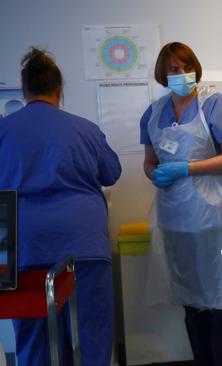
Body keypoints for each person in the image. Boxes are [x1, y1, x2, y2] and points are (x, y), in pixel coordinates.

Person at [0, 48, 121, 365]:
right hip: (84, 242)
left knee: (32, 335)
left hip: (24, 245)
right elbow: (112, 173)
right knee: (91, 332)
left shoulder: (4, 131)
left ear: (25, 91)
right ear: (59, 90)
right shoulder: (85, 129)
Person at [140, 42, 222, 365]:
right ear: (164, 73)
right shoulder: (154, 113)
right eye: (174, 69)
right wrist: (154, 174)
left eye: (187, 67)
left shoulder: (212, 104)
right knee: (192, 301)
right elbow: (149, 161)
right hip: (176, 220)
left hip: (214, 217)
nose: (182, 74)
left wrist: (186, 168)